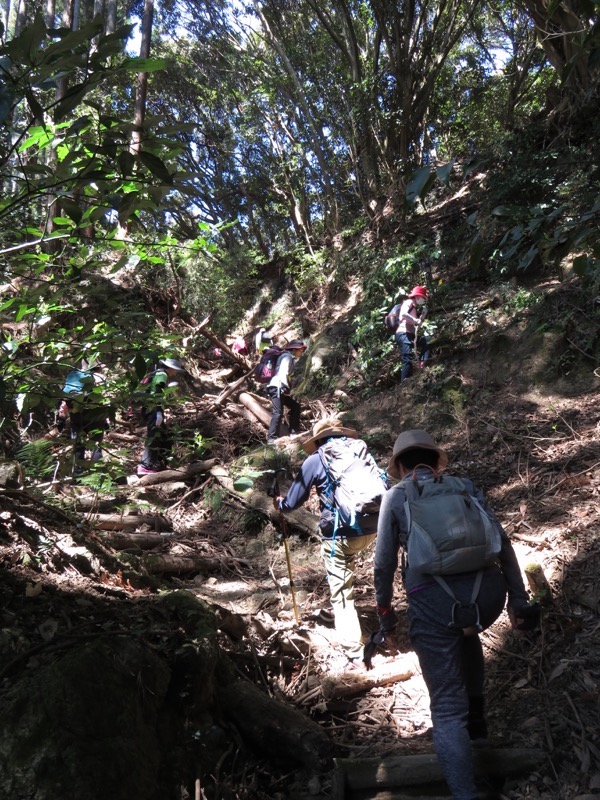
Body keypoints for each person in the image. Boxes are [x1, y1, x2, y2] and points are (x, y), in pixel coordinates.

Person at [374, 429, 540, 800]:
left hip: (434, 603)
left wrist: (385, 619)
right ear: (436, 460)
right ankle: (479, 736)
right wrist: (518, 600)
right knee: (465, 633)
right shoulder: (463, 486)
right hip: (488, 599)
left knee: (447, 708)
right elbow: (503, 544)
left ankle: (466, 792)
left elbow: (384, 565)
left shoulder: (396, 496)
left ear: (400, 465)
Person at [274, 418, 387, 666]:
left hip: (340, 535)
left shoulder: (316, 459)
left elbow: (293, 502)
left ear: (318, 440)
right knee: (347, 570)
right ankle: (346, 617)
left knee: (341, 590)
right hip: (372, 528)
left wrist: (280, 504)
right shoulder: (359, 451)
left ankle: (353, 648)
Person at [56, 361, 110, 473]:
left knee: (78, 444)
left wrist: (61, 416)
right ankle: (97, 475)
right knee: (95, 444)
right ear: (97, 368)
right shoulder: (100, 378)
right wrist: (107, 419)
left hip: (76, 414)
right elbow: (106, 400)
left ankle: (77, 474)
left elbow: (65, 400)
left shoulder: (73, 376)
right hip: (96, 415)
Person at [137, 357, 186, 475]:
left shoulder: (156, 373)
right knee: (154, 436)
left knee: (165, 436)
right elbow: (157, 392)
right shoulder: (162, 374)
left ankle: (158, 463)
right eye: (175, 369)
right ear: (170, 368)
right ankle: (145, 466)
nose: (175, 372)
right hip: (153, 409)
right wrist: (158, 411)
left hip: (150, 409)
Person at [267, 339, 306, 444]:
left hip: (278, 386)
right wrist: (285, 387)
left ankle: (293, 431)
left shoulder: (289, 357)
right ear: (294, 349)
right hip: (277, 386)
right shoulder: (287, 357)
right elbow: (283, 372)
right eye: (300, 350)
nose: (301, 352)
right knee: (278, 412)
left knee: (295, 406)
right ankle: (271, 438)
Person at [395, 285, 431, 383]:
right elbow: (403, 315)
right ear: (417, 297)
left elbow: (416, 326)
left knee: (427, 341)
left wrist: (423, 316)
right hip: (403, 334)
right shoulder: (409, 302)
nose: (424, 300)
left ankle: (423, 364)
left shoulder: (414, 308)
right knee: (407, 357)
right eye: (423, 298)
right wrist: (416, 320)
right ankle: (405, 383)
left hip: (410, 334)